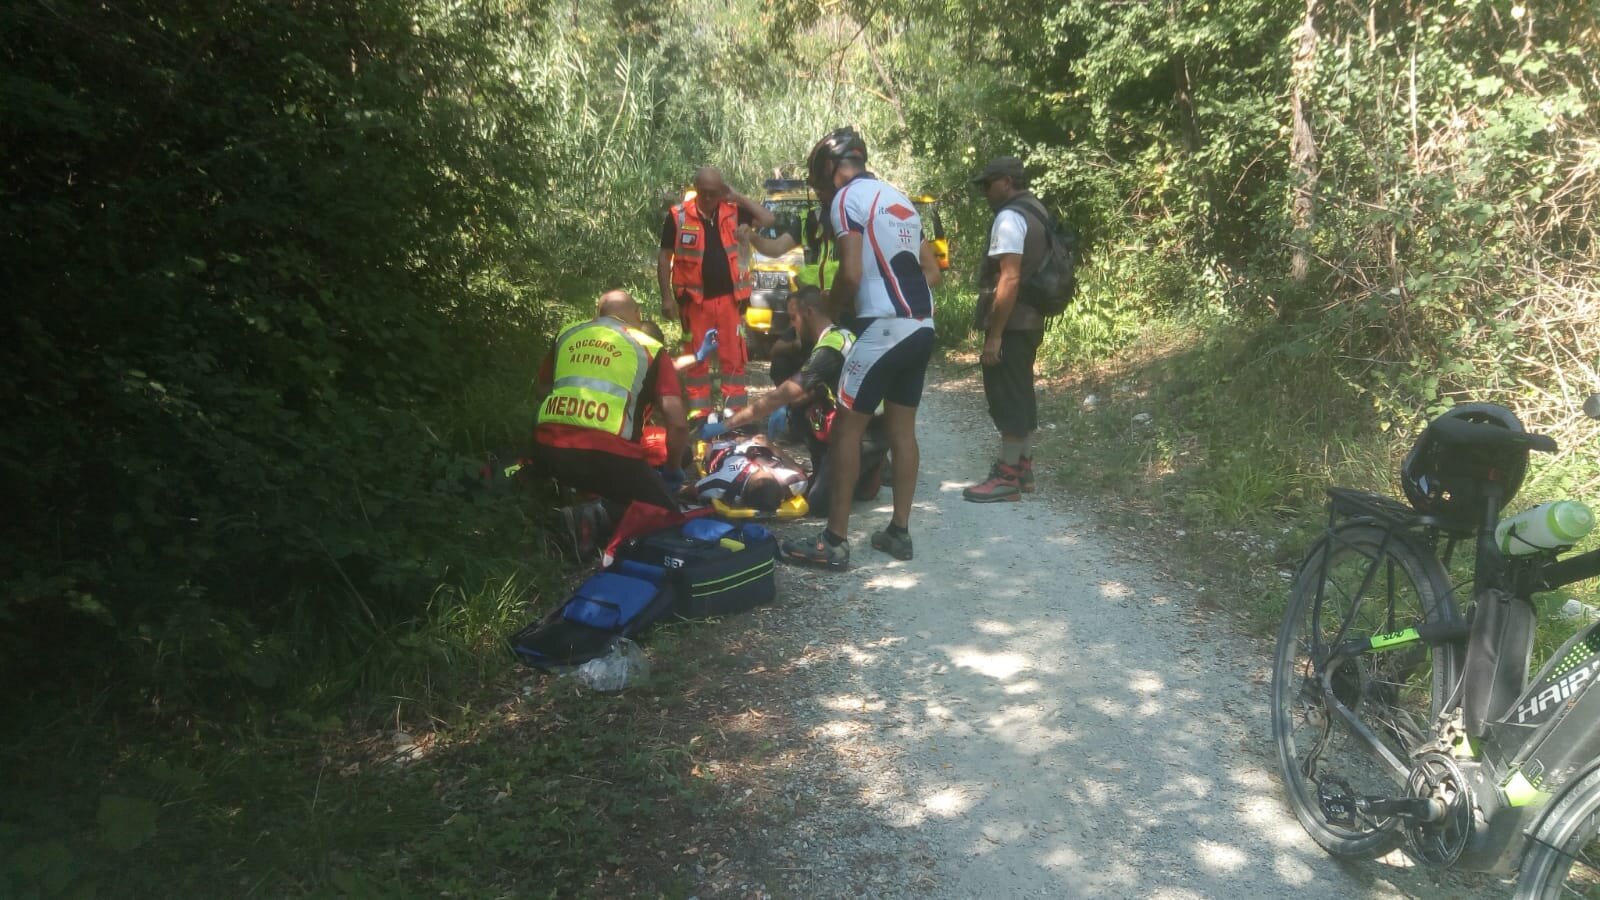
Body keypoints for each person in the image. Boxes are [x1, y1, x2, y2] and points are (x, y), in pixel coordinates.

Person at [781, 127, 939, 568]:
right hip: (921, 325)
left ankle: (833, 541)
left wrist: (831, 310)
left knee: (847, 430)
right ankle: (899, 533)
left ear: (830, 168)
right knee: (903, 432)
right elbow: (931, 271)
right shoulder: (899, 199)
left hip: (882, 328)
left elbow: (849, 273)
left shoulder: (846, 200)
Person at [703, 286, 887, 518]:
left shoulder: (831, 348)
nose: (792, 326)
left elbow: (783, 394)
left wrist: (726, 425)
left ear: (809, 313)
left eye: (793, 318)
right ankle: (848, 470)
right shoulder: (841, 335)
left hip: (864, 431)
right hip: (864, 424)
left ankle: (869, 463)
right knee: (803, 410)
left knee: (818, 504)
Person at [531, 290, 690, 511]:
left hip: (547, 448)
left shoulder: (567, 333)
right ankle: (598, 516)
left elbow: (541, 389)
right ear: (637, 314)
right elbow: (678, 424)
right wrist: (673, 470)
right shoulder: (649, 347)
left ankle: (574, 500)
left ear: (598, 312)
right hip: (611, 456)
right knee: (665, 514)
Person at [658, 168, 776, 418]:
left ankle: (735, 416)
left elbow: (768, 220)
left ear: (722, 191)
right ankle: (700, 416)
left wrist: (739, 197)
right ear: (696, 189)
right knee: (696, 360)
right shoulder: (678, 216)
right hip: (694, 304)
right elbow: (664, 257)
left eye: (714, 193)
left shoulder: (734, 212)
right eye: (704, 192)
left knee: (733, 359)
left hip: (730, 302)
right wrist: (666, 297)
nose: (709, 198)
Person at [962, 156, 1046, 502]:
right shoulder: (1037, 210)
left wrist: (994, 336)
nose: (985, 191)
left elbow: (1009, 278)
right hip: (1032, 318)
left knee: (1007, 396)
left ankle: (1006, 476)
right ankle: (1023, 467)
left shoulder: (1010, 217)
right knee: (1021, 390)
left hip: (1012, 323)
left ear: (1007, 182)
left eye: (989, 184)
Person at [684, 436, 809, 513]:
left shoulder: (721, 483)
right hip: (752, 444)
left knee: (712, 444)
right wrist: (771, 447)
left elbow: (692, 490)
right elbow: (800, 472)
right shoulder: (789, 481)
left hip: (724, 450)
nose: (767, 469)